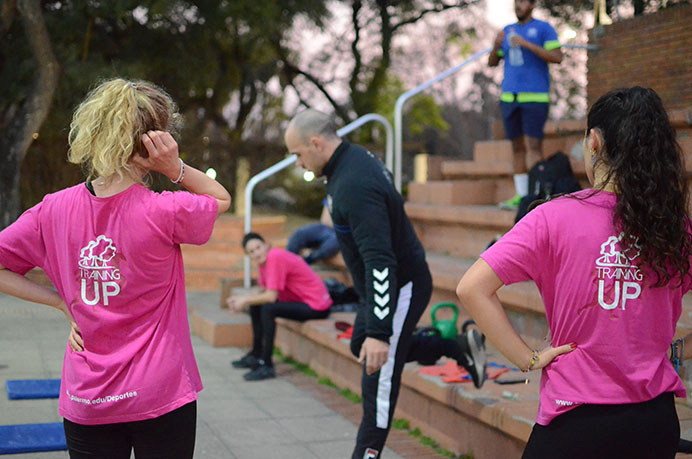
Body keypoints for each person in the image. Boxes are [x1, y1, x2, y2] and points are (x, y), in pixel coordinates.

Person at [0, 78, 231, 458]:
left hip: (86, 396)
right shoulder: (165, 210)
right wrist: (176, 169)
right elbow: (218, 198)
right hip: (161, 392)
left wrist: (62, 303)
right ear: (154, 143)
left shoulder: (50, 210)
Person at [457, 87, 689, 458]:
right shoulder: (676, 226)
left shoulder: (553, 217)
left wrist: (527, 359)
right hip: (654, 421)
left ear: (593, 142)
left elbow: (472, 288)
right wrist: (679, 349)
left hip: (577, 423)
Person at [284, 109, 488, 459]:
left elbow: (380, 261)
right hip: (379, 288)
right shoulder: (350, 161)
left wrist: (381, 332)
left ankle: (367, 453)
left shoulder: (354, 184)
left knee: (377, 372)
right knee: (361, 345)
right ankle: (454, 347)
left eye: (298, 154)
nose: (298, 163)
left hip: (401, 285)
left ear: (316, 143)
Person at [488, 0, 563, 209]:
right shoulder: (507, 30)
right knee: (516, 148)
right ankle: (521, 197)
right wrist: (495, 46)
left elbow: (558, 56)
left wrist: (526, 43)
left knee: (533, 147)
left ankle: (535, 194)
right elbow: (492, 62)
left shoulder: (544, 28)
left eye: (522, 1)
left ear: (532, 4)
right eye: (515, 1)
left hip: (535, 97)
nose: (517, 5)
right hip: (509, 97)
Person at [227, 232, 333, 381]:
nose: (256, 253)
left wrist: (244, 300)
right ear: (248, 256)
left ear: (267, 245)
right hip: (302, 302)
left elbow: (271, 297)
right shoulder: (264, 262)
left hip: (317, 305)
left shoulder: (275, 257)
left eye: (258, 247)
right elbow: (263, 291)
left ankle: (267, 364)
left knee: (268, 309)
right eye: (251, 252)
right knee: (256, 305)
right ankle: (256, 355)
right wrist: (242, 299)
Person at [286, 200, 340, 264]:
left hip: (339, 232)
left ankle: (305, 263)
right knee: (298, 234)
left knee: (332, 243)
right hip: (325, 227)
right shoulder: (333, 193)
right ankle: (287, 261)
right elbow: (325, 219)